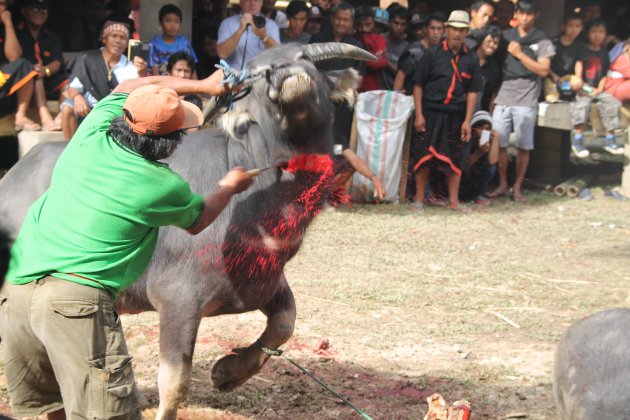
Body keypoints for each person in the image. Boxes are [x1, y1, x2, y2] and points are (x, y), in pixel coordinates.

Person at [0, 70, 253, 419]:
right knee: (108, 413)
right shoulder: (161, 184)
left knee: (47, 411)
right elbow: (199, 220)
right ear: (172, 143)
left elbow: (128, 85)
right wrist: (229, 187)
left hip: (16, 292)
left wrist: (204, 85)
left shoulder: (93, 131)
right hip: (74, 304)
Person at [411, 10, 481, 211]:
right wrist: (419, 114)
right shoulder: (432, 54)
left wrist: (468, 120)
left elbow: (473, 92)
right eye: (454, 29)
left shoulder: (471, 58)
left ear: (466, 32)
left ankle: (453, 201)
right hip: (431, 112)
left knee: (456, 158)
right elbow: (418, 85)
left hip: (456, 115)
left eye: (462, 30)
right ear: (447, 30)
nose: (457, 34)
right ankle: (418, 200)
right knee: (424, 157)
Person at [488, 0, 554, 202]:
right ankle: (502, 184)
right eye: (522, 13)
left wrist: (519, 54)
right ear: (516, 14)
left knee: (524, 146)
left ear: (536, 16)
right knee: (499, 143)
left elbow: (543, 70)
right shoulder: (506, 36)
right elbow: (496, 69)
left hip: (527, 95)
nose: (525, 18)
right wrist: (493, 97)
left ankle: (517, 186)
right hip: (504, 93)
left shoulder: (542, 39)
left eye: (530, 14)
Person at [61, 21, 147, 140]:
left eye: (122, 38)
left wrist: (142, 74)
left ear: (127, 43)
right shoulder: (88, 59)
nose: (118, 41)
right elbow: (73, 87)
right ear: (104, 39)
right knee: (67, 108)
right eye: (114, 36)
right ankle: (69, 148)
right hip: (87, 108)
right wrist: (77, 97)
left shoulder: (131, 66)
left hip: (113, 110)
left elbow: (136, 93)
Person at [570, 19, 624, 158]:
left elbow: (604, 74)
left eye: (601, 32)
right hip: (583, 88)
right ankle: (578, 140)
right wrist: (581, 84)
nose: (597, 35)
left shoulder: (605, 53)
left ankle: (610, 139)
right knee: (582, 106)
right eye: (594, 31)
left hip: (598, 89)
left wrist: (600, 89)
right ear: (587, 34)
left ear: (605, 35)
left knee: (613, 103)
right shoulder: (583, 49)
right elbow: (579, 66)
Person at [16, 0, 65, 131]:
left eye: (44, 10)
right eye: (35, 9)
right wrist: (38, 71)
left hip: (47, 78)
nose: (40, 13)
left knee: (68, 82)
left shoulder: (52, 37)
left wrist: (46, 70)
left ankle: (61, 116)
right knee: (35, 74)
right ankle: (46, 119)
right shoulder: (15, 33)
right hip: (22, 84)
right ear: (24, 11)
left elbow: (57, 62)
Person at [0, 0, 40, 132]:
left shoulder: (4, 28)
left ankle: (21, 116)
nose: (2, 8)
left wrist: (8, 23)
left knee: (24, 65)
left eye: (3, 4)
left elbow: (14, 56)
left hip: (2, 79)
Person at [217, 0, 279, 70]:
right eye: (247, 0)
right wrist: (240, 30)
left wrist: (264, 36)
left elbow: (278, 54)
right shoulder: (227, 23)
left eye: (256, 0)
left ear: (262, 2)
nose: (252, 3)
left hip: (261, 77)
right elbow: (222, 54)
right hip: (234, 77)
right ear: (240, 2)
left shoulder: (272, 25)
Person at [393, 12, 445, 94]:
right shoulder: (413, 51)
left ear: (443, 31)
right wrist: (396, 99)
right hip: (411, 99)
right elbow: (400, 77)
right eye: (432, 28)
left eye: (439, 29)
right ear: (425, 29)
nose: (436, 32)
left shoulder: (443, 51)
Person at [460, 110, 500, 204]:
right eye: (480, 127)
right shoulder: (466, 140)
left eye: (486, 129)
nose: (482, 131)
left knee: (490, 168)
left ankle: (477, 195)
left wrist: (496, 138)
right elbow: (463, 166)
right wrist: (479, 153)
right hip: (462, 180)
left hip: (475, 179)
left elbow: (492, 162)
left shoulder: (487, 141)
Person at [148, 4, 198, 76]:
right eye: (168, 21)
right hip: (162, 84)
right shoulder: (154, 44)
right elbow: (155, 72)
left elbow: (192, 68)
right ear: (160, 23)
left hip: (183, 82)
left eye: (176, 21)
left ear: (180, 24)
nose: (172, 25)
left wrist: (196, 86)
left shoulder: (184, 43)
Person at [545, 13, 584, 102]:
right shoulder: (554, 43)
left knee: (577, 83)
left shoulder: (580, 45)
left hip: (568, 77)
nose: (574, 29)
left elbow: (579, 63)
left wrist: (578, 80)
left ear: (581, 28)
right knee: (551, 97)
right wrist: (553, 75)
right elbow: (546, 62)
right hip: (552, 77)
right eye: (570, 26)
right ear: (563, 27)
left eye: (577, 26)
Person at [353, 5, 388, 92]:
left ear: (373, 23)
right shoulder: (350, 39)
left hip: (372, 88)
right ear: (354, 24)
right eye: (359, 25)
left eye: (367, 24)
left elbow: (382, 62)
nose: (363, 28)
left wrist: (358, 62)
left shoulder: (378, 39)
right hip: (352, 87)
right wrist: (370, 59)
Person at [473, 25, 501, 112]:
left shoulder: (494, 69)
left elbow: (489, 96)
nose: (492, 45)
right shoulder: (467, 57)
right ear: (481, 40)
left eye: (495, 43)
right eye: (489, 41)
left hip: (478, 112)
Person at [383, 4, 408, 90]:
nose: (399, 27)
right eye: (396, 23)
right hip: (376, 93)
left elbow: (404, 74)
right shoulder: (379, 39)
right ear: (389, 22)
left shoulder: (408, 47)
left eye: (403, 24)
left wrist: (385, 62)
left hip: (396, 94)